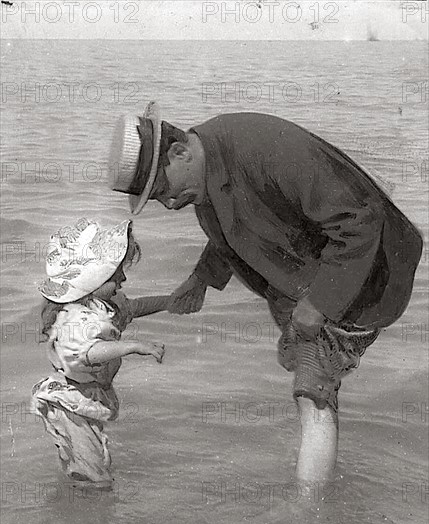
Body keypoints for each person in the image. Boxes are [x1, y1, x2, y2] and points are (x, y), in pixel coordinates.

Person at [108, 102, 423, 483]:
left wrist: (320, 303)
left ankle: (310, 518)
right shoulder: (204, 169)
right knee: (314, 392)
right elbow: (239, 224)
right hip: (307, 279)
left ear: (179, 151)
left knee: (313, 394)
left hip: (368, 272)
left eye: (162, 190)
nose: (170, 204)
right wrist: (202, 278)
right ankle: (319, 493)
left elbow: (359, 218)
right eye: (157, 200)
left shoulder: (265, 149)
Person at [31, 217, 168, 488]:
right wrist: (133, 346)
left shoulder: (103, 306)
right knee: (96, 479)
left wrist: (169, 301)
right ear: (92, 279)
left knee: (86, 467)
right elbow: (90, 353)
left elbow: (134, 308)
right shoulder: (75, 319)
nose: (123, 277)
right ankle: (85, 517)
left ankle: (74, 503)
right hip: (69, 405)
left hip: (77, 401)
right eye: (116, 272)